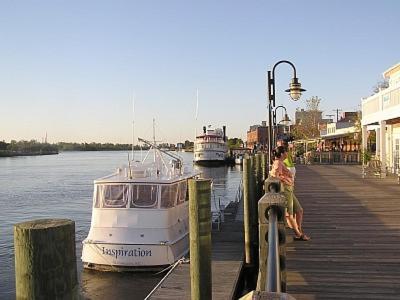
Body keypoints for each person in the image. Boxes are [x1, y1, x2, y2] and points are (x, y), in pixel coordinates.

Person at [270, 146, 310, 241]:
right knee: (289, 214)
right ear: (282, 154)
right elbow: (275, 175)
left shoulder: (280, 162)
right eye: (286, 152)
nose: (287, 153)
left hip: (289, 189)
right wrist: (285, 180)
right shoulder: (278, 163)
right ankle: (299, 234)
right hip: (286, 190)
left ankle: (299, 230)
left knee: (299, 210)